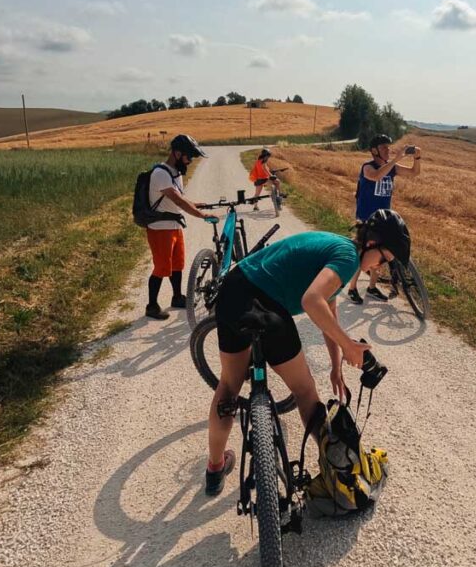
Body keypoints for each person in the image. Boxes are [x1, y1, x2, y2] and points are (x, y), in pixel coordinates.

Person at [204, 209, 412, 495]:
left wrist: (336, 365)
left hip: (233, 291)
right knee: (304, 391)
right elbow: (312, 300)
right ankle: (339, 471)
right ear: (372, 243)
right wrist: (350, 346)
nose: (379, 268)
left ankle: (214, 468)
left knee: (228, 387)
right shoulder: (349, 258)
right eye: (383, 259)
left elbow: (329, 309)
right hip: (266, 305)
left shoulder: (340, 248)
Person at [145, 134, 218, 320]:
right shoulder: (161, 173)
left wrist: (195, 204)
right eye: (188, 156)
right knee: (162, 267)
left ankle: (177, 297)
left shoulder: (175, 172)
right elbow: (176, 199)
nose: (190, 160)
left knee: (177, 264)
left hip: (174, 224)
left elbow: (180, 199)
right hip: (160, 227)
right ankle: (151, 306)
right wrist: (201, 215)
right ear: (177, 154)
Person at [347, 134, 421, 304]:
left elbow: (414, 172)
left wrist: (417, 157)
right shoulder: (368, 167)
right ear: (374, 151)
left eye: (388, 147)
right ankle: (352, 288)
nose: (388, 150)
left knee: (379, 254)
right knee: (362, 253)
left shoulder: (391, 167)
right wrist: (395, 159)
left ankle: (372, 287)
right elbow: (376, 176)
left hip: (383, 219)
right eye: (384, 148)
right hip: (366, 218)